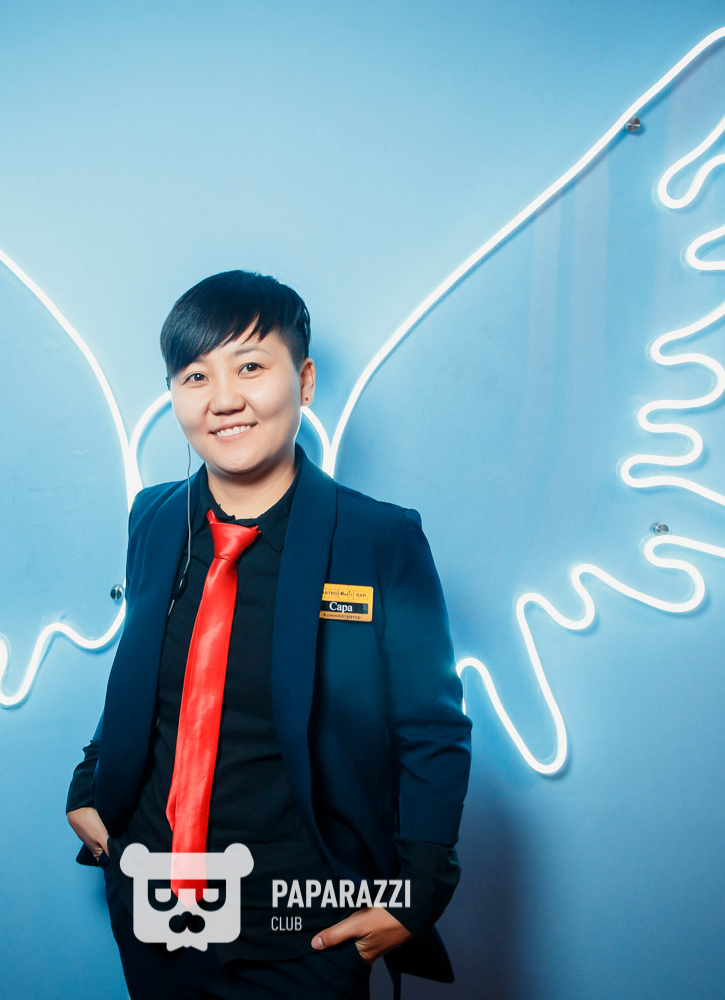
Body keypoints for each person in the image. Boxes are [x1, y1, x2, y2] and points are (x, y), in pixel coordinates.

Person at [65, 270, 471, 1000]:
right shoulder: (154, 516)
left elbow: (432, 729)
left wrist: (416, 893)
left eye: (250, 366)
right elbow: (147, 670)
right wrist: (90, 779)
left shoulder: (380, 539)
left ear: (304, 380)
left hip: (302, 923)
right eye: (195, 376)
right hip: (155, 903)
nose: (223, 399)